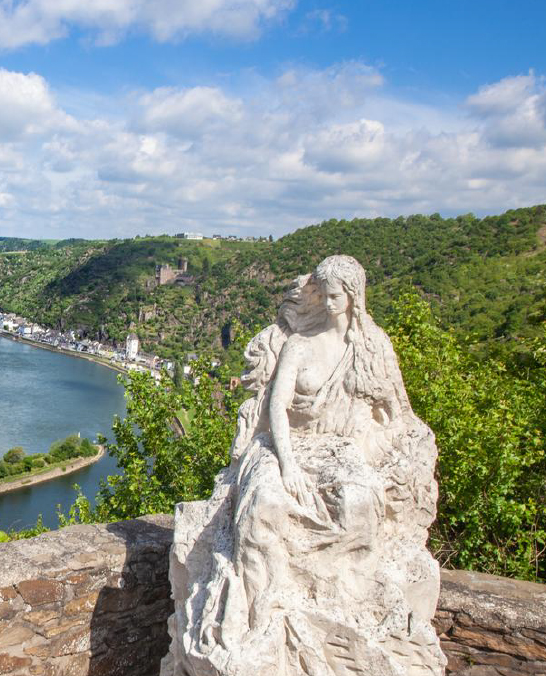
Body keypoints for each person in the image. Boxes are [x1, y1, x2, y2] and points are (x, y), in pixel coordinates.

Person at [164, 255, 445, 676]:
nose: (328, 304)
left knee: (358, 503)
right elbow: (277, 407)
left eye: (336, 297)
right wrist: (289, 464)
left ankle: (346, 600)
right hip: (285, 446)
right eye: (322, 296)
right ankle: (260, 615)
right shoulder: (300, 344)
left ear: (354, 297)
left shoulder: (372, 348)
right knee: (262, 506)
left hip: (340, 452)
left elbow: (396, 410)